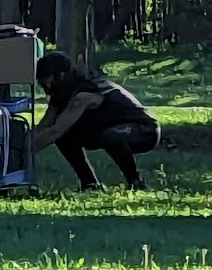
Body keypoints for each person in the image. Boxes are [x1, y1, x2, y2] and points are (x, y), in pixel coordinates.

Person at [34, 51, 161, 191]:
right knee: (65, 137)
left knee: (110, 136)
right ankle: (90, 184)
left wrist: (24, 155)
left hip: (145, 130)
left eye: (45, 78)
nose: (42, 83)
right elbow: (44, 127)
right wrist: (17, 147)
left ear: (61, 75)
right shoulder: (60, 96)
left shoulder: (84, 94)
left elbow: (55, 131)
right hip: (108, 129)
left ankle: (136, 182)